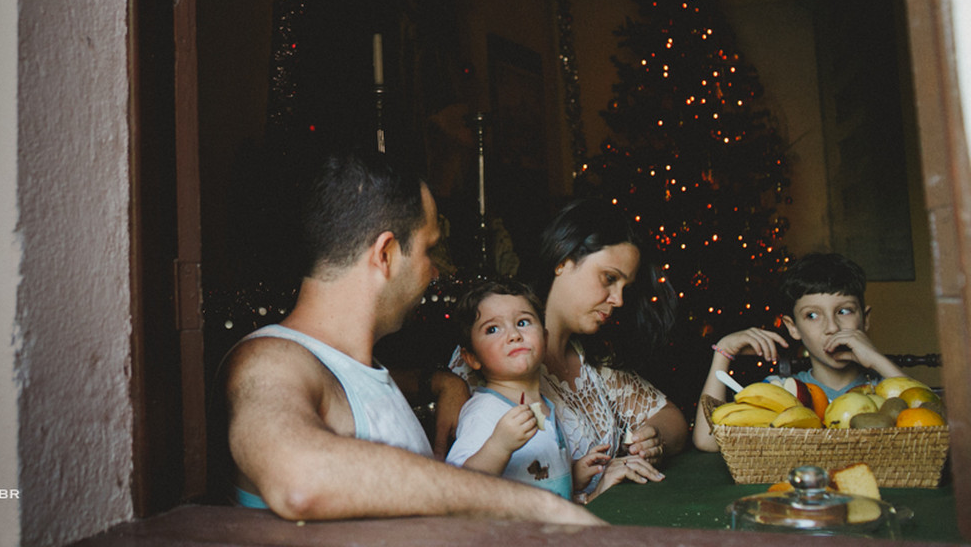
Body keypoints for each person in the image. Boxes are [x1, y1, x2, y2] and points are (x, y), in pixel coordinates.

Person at [220, 150, 604, 525]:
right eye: (429, 250)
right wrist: (534, 504)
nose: (435, 272)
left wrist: (442, 382)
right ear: (385, 253)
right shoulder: (268, 361)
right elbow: (299, 478)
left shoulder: (355, 367)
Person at [446, 198, 688, 502]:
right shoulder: (490, 361)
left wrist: (650, 441)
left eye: (624, 287)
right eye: (609, 278)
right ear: (563, 260)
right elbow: (460, 486)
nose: (618, 300)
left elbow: (673, 421)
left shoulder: (596, 362)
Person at [693, 252, 908, 451]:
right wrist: (722, 353)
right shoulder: (780, 391)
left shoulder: (885, 389)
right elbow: (707, 440)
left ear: (865, 319)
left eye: (844, 311)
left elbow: (924, 422)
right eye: (812, 315)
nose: (832, 327)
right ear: (792, 327)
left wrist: (876, 359)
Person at [446, 278, 593, 499]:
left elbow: (539, 479)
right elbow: (458, 487)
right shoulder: (483, 412)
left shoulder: (546, 405)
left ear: (544, 339)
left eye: (523, 322)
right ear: (472, 357)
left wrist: (573, 477)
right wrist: (498, 447)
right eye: (492, 329)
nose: (514, 335)